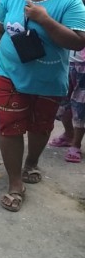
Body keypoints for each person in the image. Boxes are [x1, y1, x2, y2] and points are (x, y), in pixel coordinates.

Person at [0, 0, 85, 212]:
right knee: (10, 126)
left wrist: (45, 20)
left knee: (41, 126)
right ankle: (15, 183)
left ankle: (32, 162)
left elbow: (77, 41)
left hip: (48, 77)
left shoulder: (70, 2)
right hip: (8, 72)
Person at [49, 24, 85, 164]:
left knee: (80, 105)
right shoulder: (71, 9)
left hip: (83, 66)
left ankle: (76, 144)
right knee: (62, 102)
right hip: (66, 63)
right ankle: (68, 134)